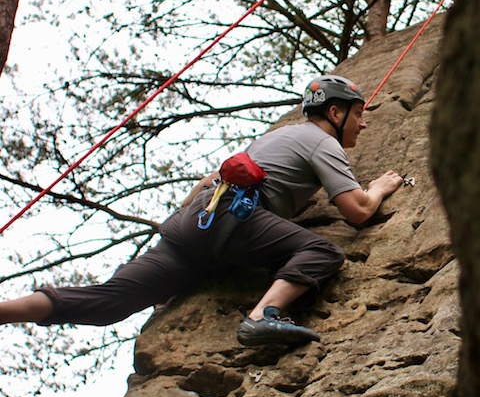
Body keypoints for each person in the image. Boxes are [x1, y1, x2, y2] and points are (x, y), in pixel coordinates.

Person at [0, 75, 403, 347]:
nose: (363, 125)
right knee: (325, 252)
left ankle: (7, 311)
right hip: (233, 220)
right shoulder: (321, 141)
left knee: (110, 302)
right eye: (359, 113)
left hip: (192, 224)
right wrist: (380, 187)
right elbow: (357, 211)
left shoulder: (276, 136)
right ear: (336, 113)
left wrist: (185, 235)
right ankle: (264, 314)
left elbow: (206, 182)